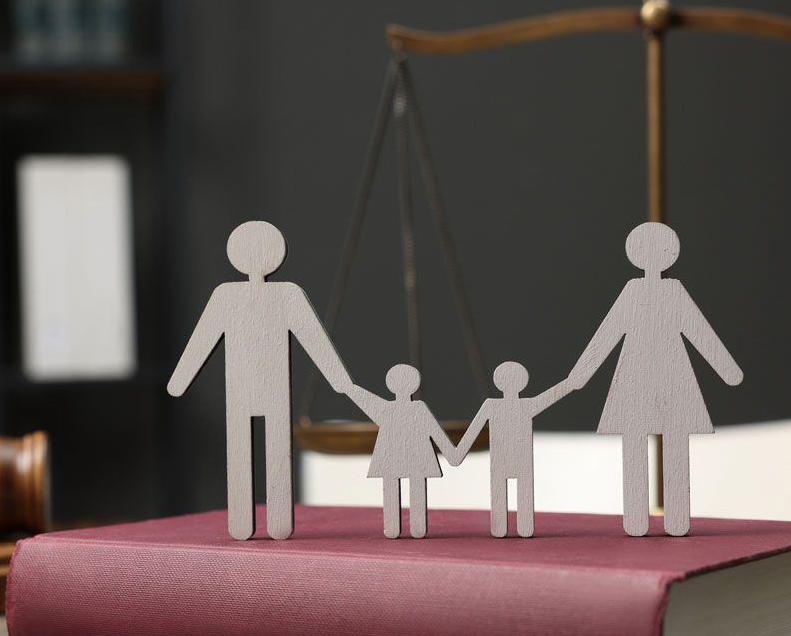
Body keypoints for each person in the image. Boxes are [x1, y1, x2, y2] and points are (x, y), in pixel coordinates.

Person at [167, 221, 351, 540]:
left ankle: (258, 521)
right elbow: (203, 339)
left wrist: (179, 382)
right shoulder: (279, 294)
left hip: (254, 387)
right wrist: (339, 379)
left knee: (252, 449)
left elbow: (313, 338)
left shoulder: (233, 295)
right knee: (262, 450)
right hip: (257, 387)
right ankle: (261, 520)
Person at [566, 222, 743, 537]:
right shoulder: (635, 292)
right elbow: (608, 333)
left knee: (671, 445)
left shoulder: (671, 291)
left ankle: (674, 519)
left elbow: (699, 331)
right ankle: (638, 519)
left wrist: (727, 368)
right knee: (639, 446)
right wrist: (580, 373)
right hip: (638, 379)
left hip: (669, 378)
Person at [449, 362, 569, 538]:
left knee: (505, 492)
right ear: (523, 381)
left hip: (505, 460)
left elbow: (472, 432)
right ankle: (520, 527)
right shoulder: (525, 405)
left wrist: (457, 453)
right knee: (519, 493)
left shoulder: (493, 406)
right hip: (517, 460)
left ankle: (505, 528)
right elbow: (554, 394)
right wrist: (571, 382)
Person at [346, 364, 454, 539]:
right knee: (412, 488)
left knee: (395, 489)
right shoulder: (416, 408)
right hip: (416, 459)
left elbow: (363, 399)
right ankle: (415, 527)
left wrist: (348, 388)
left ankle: (395, 527)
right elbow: (436, 433)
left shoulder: (388, 409)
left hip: (394, 458)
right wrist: (452, 453)